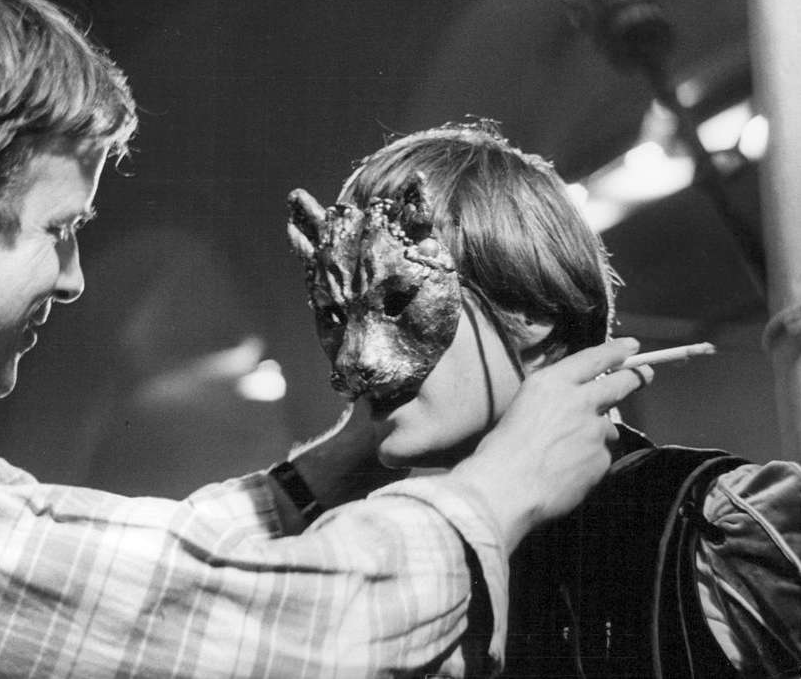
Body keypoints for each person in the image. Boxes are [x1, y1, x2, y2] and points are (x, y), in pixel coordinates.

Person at [0, 0, 650, 678]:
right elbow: (251, 627)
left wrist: (329, 467)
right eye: (57, 230)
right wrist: (499, 491)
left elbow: (131, 579)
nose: (74, 281)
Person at [287, 120, 801, 678]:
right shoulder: (403, 571)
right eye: (336, 317)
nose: (352, 363)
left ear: (530, 306)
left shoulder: (711, 527)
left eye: (396, 302)